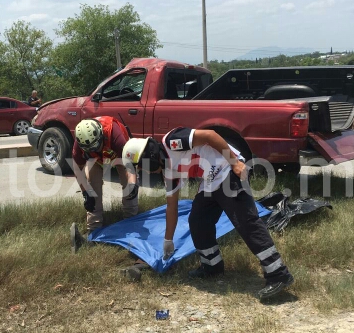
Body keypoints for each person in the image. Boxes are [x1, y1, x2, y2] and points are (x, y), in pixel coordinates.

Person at [122, 128, 294, 299]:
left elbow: (209, 135)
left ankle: (278, 273)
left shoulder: (171, 142)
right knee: (198, 220)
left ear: (147, 158)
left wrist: (234, 162)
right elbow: (171, 207)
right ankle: (212, 266)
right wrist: (168, 240)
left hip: (228, 169)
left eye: (141, 168)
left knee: (246, 222)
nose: (144, 172)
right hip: (211, 181)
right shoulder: (169, 173)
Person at [71, 117, 139, 247]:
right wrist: (86, 193)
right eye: (91, 149)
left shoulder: (115, 135)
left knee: (129, 187)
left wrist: (132, 185)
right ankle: (94, 232)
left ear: (101, 135)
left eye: (96, 146)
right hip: (96, 160)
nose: (95, 149)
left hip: (119, 155)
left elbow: (130, 166)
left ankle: (130, 224)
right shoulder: (80, 143)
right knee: (92, 187)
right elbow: (77, 168)